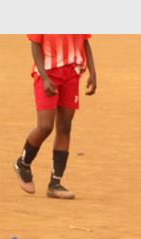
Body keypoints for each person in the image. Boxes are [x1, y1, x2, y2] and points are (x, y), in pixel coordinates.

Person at [13, 34, 97, 200]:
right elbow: (35, 44)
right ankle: (23, 163)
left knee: (65, 127)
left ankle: (55, 183)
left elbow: (85, 41)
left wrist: (93, 73)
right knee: (45, 126)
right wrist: (44, 77)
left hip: (71, 72)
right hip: (48, 72)